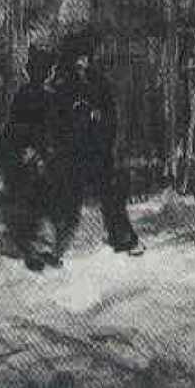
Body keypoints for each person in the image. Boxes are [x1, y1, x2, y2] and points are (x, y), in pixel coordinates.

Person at [46, 33, 144, 263]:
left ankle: (124, 239)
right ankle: (55, 249)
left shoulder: (98, 82)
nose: (84, 62)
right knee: (67, 203)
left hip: (97, 152)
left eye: (86, 57)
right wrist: (77, 117)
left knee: (111, 197)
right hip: (72, 155)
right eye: (79, 58)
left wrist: (99, 121)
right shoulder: (61, 85)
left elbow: (110, 114)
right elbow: (55, 122)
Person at [0, 45, 57, 272]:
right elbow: (21, 128)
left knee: (32, 202)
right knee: (32, 202)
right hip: (26, 157)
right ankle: (30, 249)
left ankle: (33, 248)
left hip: (26, 156)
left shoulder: (26, 95)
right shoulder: (37, 97)